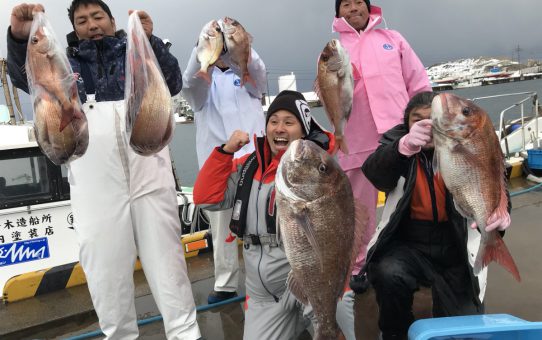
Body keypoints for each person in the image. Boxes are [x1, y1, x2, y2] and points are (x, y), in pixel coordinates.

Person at [7, 1, 201, 339]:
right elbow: (27, 77)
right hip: (95, 190)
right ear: (74, 27)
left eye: (98, 17)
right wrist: (20, 38)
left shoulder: (136, 52)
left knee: (170, 269)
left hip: (150, 179)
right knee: (105, 276)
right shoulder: (62, 60)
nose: (91, 24)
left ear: (112, 20)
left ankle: (186, 333)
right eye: (82, 20)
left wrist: (151, 39)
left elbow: (171, 83)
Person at [193, 90, 356, 339]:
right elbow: (205, 198)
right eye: (273, 121)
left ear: (303, 130)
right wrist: (224, 152)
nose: (279, 128)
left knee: (338, 310)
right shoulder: (247, 165)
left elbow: (340, 227)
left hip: (310, 275)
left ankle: (323, 325)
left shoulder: (320, 170)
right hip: (262, 293)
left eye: (289, 122)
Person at [360, 91, 512, 340]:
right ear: (407, 125)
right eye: (416, 119)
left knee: (465, 326)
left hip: (454, 243)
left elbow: (493, 181)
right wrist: (402, 147)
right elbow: (374, 173)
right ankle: (395, 333)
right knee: (387, 273)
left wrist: (502, 218)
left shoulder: (463, 143)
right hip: (409, 243)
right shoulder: (398, 146)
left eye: (431, 117)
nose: (425, 124)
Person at [333, 0, 432, 293]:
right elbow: (329, 94)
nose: (353, 8)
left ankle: (420, 258)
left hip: (401, 136)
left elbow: (419, 83)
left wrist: (425, 120)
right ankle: (358, 266)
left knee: (414, 198)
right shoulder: (334, 50)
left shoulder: (394, 39)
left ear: (369, 7)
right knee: (358, 209)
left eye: (358, 2)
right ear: (338, 13)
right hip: (356, 139)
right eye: (345, 4)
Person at [181, 19, 267, 304]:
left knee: (265, 222)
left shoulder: (247, 77)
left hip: (257, 161)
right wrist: (201, 49)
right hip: (219, 165)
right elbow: (187, 83)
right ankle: (226, 284)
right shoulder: (201, 87)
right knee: (221, 229)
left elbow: (259, 73)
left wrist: (243, 46)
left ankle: (268, 277)